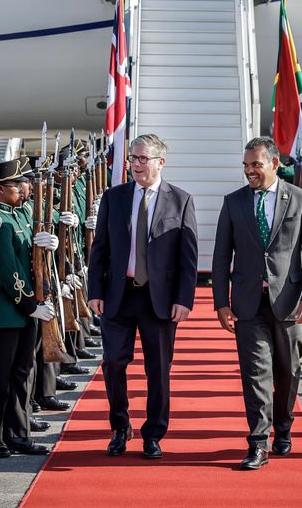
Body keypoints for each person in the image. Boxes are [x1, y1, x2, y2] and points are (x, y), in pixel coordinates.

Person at [212, 136, 302, 470]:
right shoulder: (233, 202)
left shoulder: (301, 199)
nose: (249, 171)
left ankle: (284, 427)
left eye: (255, 165)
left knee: (288, 372)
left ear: (274, 163)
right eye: (246, 165)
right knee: (256, 374)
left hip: (289, 303)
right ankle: (258, 444)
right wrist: (221, 302)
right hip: (248, 304)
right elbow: (221, 257)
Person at [87, 134, 199, 460]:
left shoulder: (180, 200)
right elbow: (100, 250)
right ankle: (120, 426)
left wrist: (184, 299)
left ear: (160, 161)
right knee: (113, 364)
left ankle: (153, 433)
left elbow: (187, 259)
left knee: (158, 370)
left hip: (158, 299)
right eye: (133, 159)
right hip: (118, 297)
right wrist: (95, 291)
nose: (136, 164)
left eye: (142, 159)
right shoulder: (114, 197)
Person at [0, 159, 58, 458]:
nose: (23, 188)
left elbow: (30, 259)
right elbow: (8, 272)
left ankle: (19, 435)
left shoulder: (19, 215)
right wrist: (31, 305)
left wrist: (50, 243)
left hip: (25, 309)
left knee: (23, 373)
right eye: (16, 184)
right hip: (1, 309)